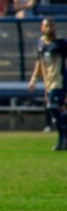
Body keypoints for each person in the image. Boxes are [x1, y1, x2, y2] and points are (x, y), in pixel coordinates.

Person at [28, 18, 67, 150]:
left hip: (59, 81)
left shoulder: (61, 44)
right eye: (46, 26)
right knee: (60, 111)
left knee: (52, 106)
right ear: (42, 27)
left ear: (54, 28)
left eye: (51, 26)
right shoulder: (40, 44)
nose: (48, 28)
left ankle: (62, 138)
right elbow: (39, 63)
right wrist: (34, 79)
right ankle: (64, 137)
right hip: (48, 83)